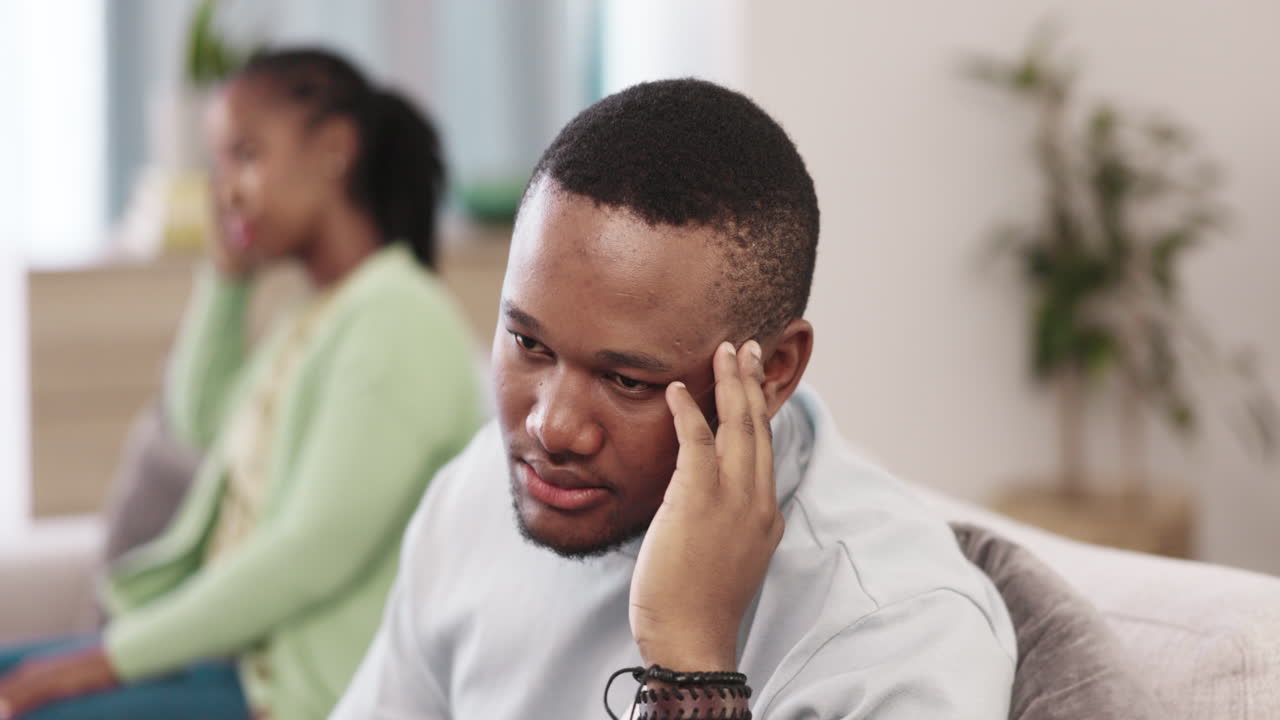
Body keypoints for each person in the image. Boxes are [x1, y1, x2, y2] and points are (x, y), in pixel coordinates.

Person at [331, 78, 1016, 719]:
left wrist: (692, 667)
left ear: (774, 370)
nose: (553, 427)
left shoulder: (897, 628)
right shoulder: (478, 491)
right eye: (528, 344)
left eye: (627, 380)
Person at [0, 48, 485, 720]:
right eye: (218, 165)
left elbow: (307, 553)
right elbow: (200, 425)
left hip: (295, 695)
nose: (225, 189)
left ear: (335, 149)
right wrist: (226, 279)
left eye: (246, 155)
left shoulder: (397, 321)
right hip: (233, 670)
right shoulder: (315, 314)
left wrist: (107, 658)